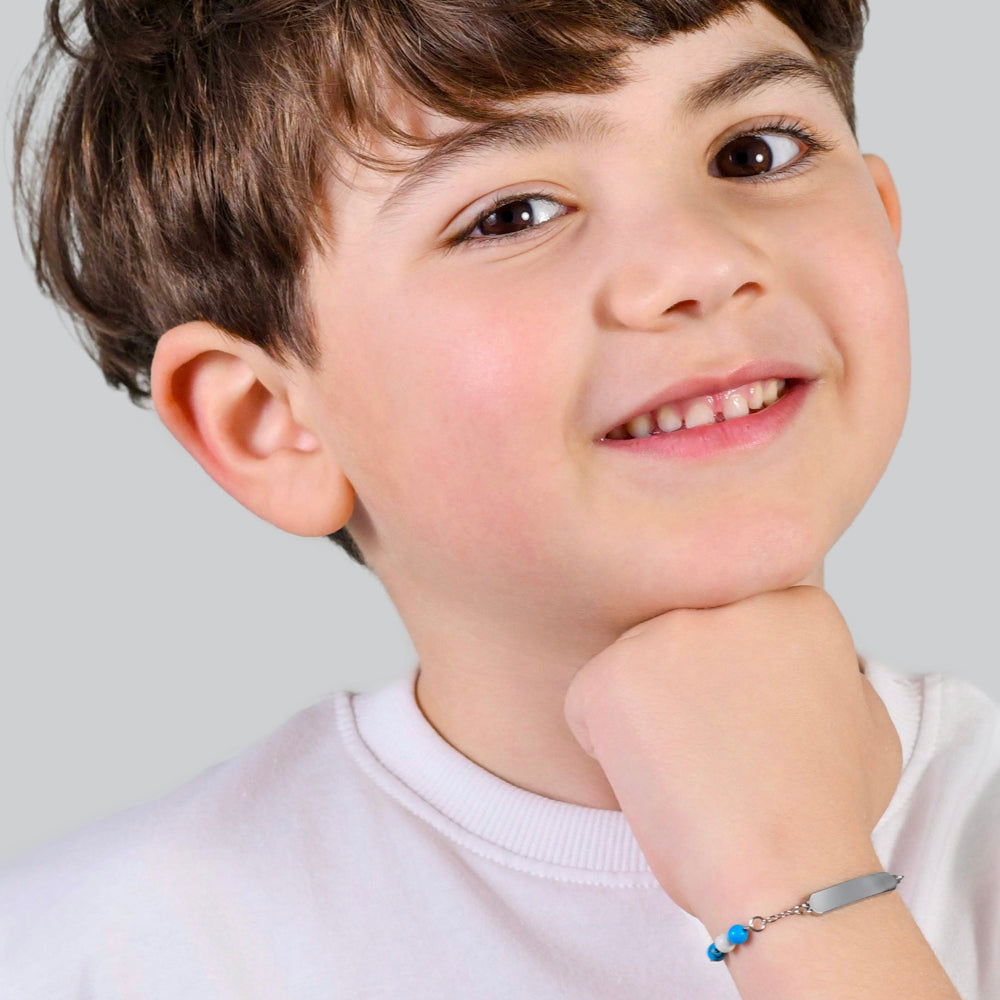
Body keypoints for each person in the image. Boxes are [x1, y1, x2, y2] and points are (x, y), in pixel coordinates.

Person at [2, 0, 997, 997]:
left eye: (754, 152)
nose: (703, 261)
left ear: (881, 218)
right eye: (511, 215)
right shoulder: (103, 952)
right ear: (269, 419)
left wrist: (805, 882)